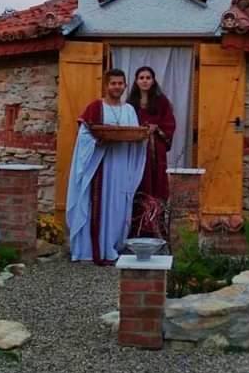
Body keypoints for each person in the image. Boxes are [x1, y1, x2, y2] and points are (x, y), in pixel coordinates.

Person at [66, 68, 147, 264]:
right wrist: (97, 141)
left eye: (120, 83)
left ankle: (110, 248)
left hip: (120, 166)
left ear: (125, 85)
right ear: (106, 85)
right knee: (95, 205)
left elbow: (134, 136)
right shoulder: (95, 107)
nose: (117, 87)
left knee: (117, 208)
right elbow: (84, 135)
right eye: (113, 83)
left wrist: (142, 137)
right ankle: (88, 249)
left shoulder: (129, 110)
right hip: (98, 166)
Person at [127, 66, 177, 204]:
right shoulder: (130, 104)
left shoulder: (162, 102)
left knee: (157, 183)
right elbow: (125, 123)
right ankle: (137, 222)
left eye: (148, 78)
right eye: (141, 78)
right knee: (139, 181)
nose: (145, 81)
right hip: (137, 148)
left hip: (156, 149)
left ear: (153, 81)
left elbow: (169, 123)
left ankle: (155, 221)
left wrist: (157, 129)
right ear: (136, 81)